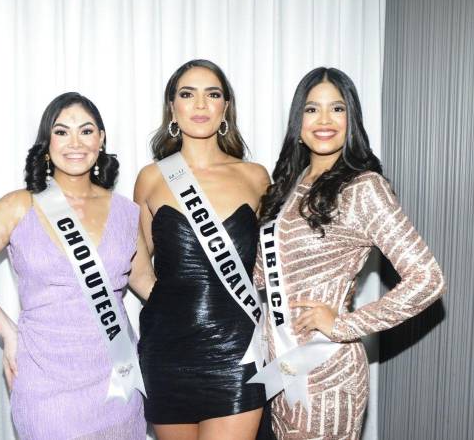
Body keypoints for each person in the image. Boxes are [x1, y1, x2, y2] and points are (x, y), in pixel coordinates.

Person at [0, 92, 154, 440]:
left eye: (86, 131)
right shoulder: (18, 206)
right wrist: (9, 333)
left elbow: (146, 283)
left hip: (118, 381)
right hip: (45, 383)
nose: (75, 142)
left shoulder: (127, 213)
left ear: (101, 140)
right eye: (61, 131)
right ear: (46, 142)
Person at [255, 67, 446, 439]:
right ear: (299, 120)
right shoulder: (287, 186)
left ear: (351, 119)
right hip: (282, 366)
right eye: (312, 110)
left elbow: (428, 279)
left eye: (337, 109)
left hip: (328, 369)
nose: (324, 120)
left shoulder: (363, 188)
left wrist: (343, 325)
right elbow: (261, 275)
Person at [134, 59, 271, 440]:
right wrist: (178, 307)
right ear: (172, 109)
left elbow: (273, 265)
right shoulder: (151, 179)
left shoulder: (256, 177)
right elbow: (139, 267)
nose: (200, 104)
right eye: (187, 94)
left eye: (212, 94)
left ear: (225, 108)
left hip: (236, 354)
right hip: (167, 352)